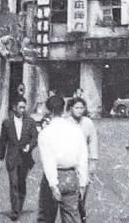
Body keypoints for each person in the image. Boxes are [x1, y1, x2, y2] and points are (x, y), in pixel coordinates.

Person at [36, 95, 88, 223]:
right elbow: (83, 158)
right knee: (72, 216)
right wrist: (82, 182)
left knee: (46, 217)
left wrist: (53, 185)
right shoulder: (75, 130)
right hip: (71, 176)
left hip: (54, 176)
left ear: (49, 111)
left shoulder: (46, 133)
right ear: (64, 109)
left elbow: (48, 161)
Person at [0, 98, 38, 221]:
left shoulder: (30, 122)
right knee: (13, 183)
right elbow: (2, 142)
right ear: (14, 108)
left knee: (21, 183)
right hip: (12, 158)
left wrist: (30, 146)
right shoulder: (7, 123)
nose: (23, 110)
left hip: (25, 158)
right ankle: (15, 211)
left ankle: (19, 206)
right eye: (21, 107)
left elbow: (35, 137)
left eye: (24, 107)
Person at [68, 97, 99, 223]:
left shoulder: (88, 123)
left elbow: (93, 141)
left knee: (82, 191)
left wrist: (93, 161)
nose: (79, 111)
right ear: (71, 109)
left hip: (84, 161)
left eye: (81, 108)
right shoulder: (66, 122)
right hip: (69, 161)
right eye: (77, 108)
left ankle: (81, 214)